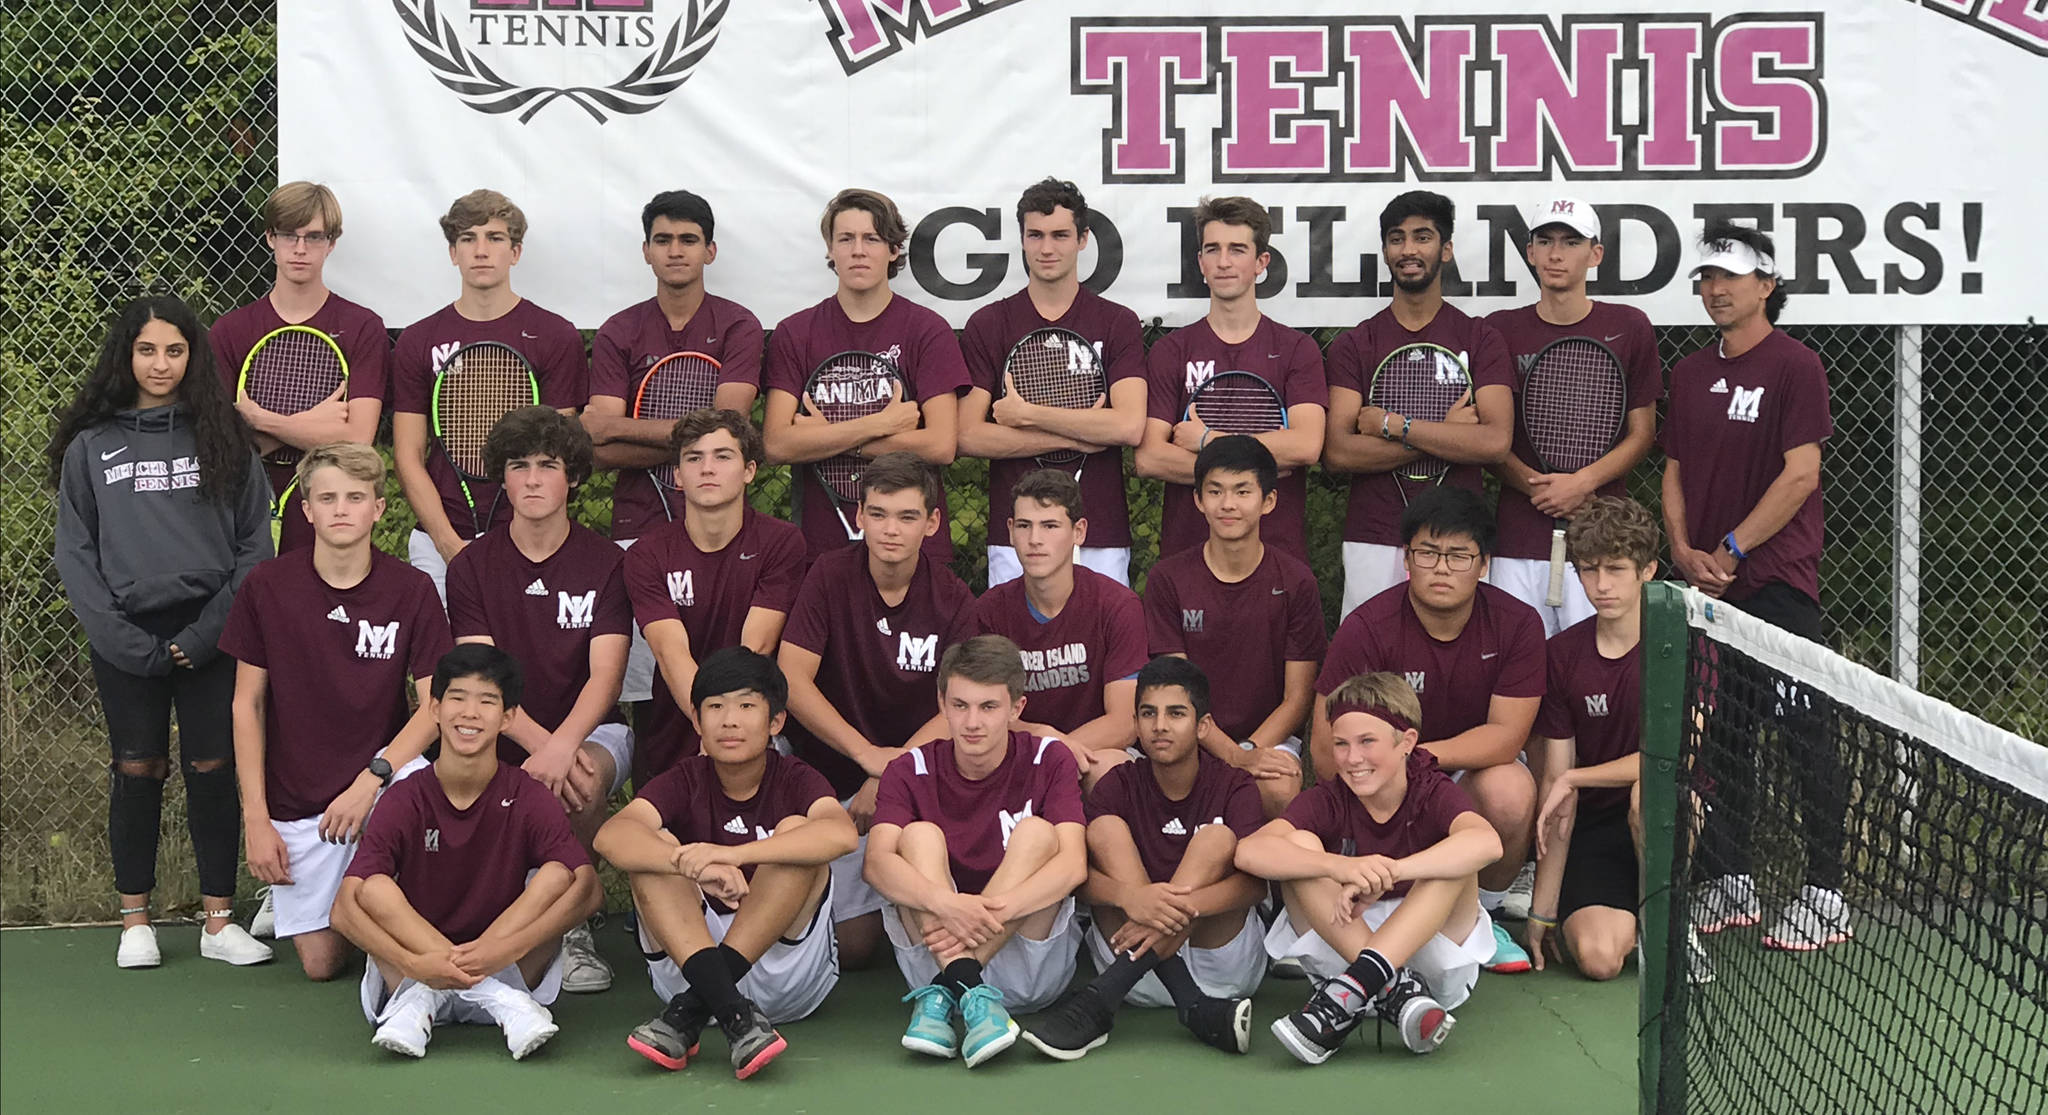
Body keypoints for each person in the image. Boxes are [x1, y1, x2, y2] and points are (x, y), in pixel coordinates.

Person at [50, 294, 275, 969]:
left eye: (174, 350)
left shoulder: (225, 435)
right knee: (136, 765)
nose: (160, 363)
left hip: (211, 627)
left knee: (213, 766)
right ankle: (135, 922)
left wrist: (207, 634)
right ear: (126, 355)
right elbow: (76, 554)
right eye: (146, 349)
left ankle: (216, 920)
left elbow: (253, 546)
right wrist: (125, 641)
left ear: (192, 355)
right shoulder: (92, 445)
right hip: (127, 637)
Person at [1663, 220, 1846, 951]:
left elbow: (1802, 472)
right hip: (1707, 586)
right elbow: (1674, 470)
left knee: (1807, 739)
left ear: (1766, 284)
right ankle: (1731, 880)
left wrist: (1734, 547)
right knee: (1725, 737)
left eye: (1727, 278)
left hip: (1775, 587)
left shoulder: (1797, 366)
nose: (1712, 291)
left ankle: (1825, 891)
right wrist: (1683, 549)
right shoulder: (1687, 373)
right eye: (1704, 280)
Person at [221, 442, 451, 980]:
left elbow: (434, 705)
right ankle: (351, 908)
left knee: (418, 806)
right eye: (327, 498)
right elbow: (245, 704)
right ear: (306, 510)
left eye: (355, 496)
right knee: (321, 966)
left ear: (378, 508)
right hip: (301, 802)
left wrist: (372, 779)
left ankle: (401, 925)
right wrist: (256, 819)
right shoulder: (267, 587)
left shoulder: (412, 589)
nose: (341, 509)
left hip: (382, 784)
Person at [329, 644, 603, 1061]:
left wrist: (502, 949)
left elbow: (588, 890)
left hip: (510, 970)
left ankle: (459, 997)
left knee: (558, 875)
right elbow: (344, 909)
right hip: (415, 969)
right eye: (457, 698)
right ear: (434, 709)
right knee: (372, 887)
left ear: (508, 717)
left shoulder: (527, 795)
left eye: (487, 700)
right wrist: (416, 963)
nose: (470, 713)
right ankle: (434, 996)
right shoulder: (404, 797)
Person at [1309, 487, 1544, 974]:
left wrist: (1419, 760)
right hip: (1379, 777)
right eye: (1428, 553)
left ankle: (1485, 914)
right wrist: (1390, 773)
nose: (1441, 567)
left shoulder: (1518, 623)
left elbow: (1507, 736)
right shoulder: (1366, 626)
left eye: (1459, 555)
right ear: (1406, 559)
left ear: (1483, 564)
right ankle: (1379, 910)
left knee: (1511, 790)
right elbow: (1325, 745)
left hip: (1458, 772)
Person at [594, 648, 859, 1079]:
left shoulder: (794, 777)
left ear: (775, 721)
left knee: (795, 833)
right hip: (690, 959)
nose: (730, 720)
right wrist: (688, 865)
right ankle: (734, 1013)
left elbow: (841, 834)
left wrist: (733, 855)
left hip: (784, 978)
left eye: (746, 706)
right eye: (715, 707)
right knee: (653, 849)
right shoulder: (685, 778)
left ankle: (693, 1010)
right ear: (697, 722)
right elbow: (612, 836)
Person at [446, 406, 632, 993]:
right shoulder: (472, 565)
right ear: (501, 477)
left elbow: (606, 677)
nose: (531, 479)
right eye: (518, 466)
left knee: (585, 776)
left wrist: (561, 748)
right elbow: (480, 679)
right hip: (495, 727)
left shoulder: (608, 562)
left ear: (572, 477)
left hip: (589, 730)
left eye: (547, 466)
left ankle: (572, 927)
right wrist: (536, 743)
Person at [1236, 672, 1504, 1064]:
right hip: (1345, 948)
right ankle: (1390, 989)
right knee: (1298, 846)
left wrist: (1392, 871)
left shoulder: (1430, 789)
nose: (1352, 758)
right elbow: (1249, 852)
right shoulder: (1330, 797)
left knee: (1455, 857)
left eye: (1367, 742)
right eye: (1341, 744)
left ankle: (1355, 989)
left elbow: (1487, 842)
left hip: (1426, 956)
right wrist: (1340, 866)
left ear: (1406, 743)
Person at [777, 452, 977, 969]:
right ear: (859, 516)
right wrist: (867, 755)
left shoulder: (953, 597)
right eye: (880, 514)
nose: (892, 529)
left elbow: (959, 704)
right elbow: (791, 680)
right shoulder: (827, 574)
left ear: (932, 523)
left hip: (915, 778)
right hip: (832, 774)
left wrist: (891, 772)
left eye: (908, 517)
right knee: (857, 945)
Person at [1020, 656, 1266, 1060]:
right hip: (1135, 974)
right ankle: (1192, 1005)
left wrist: (1177, 906)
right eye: (1148, 714)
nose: (1160, 726)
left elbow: (1256, 885)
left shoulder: (1234, 785)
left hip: (1218, 965)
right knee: (1103, 830)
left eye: (1176, 714)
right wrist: (1130, 898)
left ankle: (1098, 1002)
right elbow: (1078, 878)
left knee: (1216, 839)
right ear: (1135, 723)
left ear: (1203, 726)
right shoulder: (1119, 784)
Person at [864, 635, 1088, 1068]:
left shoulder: (1050, 758)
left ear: (1017, 709)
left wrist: (980, 916)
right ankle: (969, 990)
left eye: (988, 707)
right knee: (917, 838)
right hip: (935, 953)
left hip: (1024, 966)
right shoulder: (908, 769)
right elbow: (875, 863)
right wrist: (947, 905)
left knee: (1039, 835)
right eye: (960, 705)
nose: (972, 722)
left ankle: (954, 985)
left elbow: (1074, 864)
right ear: (941, 703)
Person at [583, 190, 765, 719]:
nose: (676, 250)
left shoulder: (738, 326)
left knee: (729, 673)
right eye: (663, 240)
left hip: (724, 526)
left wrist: (621, 427)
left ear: (710, 251)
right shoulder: (621, 330)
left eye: (689, 240)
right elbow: (598, 447)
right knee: (647, 693)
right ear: (646, 251)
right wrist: (694, 438)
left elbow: (731, 428)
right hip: (639, 522)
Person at [1322, 190, 1515, 619]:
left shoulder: (1480, 339)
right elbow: (1337, 452)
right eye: (1397, 238)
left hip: (1458, 537)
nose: (1408, 249)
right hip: (1374, 535)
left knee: (1459, 663)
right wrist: (1449, 433)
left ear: (1445, 250)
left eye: (1422, 237)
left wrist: (1396, 425)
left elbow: (1495, 443)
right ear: (1386, 250)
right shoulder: (1355, 345)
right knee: (1371, 672)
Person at [391, 188, 588, 600]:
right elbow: (408, 456)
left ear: (515, 252)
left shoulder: (555, 336)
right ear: (453, 253)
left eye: (495, 238)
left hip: (530, 542)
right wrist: (448, 545)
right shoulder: (417, 340)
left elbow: (561, 456)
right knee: (449, 664)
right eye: (468, 239)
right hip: (440, 540)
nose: (481, 250)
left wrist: (528, 538)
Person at [1483, 197, 1662, 637]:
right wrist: (1538, 487)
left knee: (1596, 664)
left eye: (1570, 242)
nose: (1556, 254)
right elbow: (1487, 436)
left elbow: (1642, 434)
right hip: (1517, 539)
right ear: (1530, 252)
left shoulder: (1630, 325)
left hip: (1601, 538)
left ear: (1595, 254)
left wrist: (1581, 484)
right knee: (1518, 665)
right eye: (1545, 241)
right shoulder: (1499, 329)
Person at [959, 177, 1148, 586]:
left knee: (1105, 650)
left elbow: (1129, 426)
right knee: (1012, 651)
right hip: (1016, 537)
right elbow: (969, 435)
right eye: (1036, 235)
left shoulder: (1117, 322)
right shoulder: (989, 324)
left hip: (1099, 531)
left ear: (1082, 239)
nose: (1047, 248)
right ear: (1022, 240)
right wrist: (1079, 436)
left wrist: (1026, 415)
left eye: (1060, 235)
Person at [762, 188, 967, 563]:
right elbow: (777, 444)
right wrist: (885, 423)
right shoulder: (795, 333)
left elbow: (941, 444)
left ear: (892, 250)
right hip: (822, 550)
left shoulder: (927, 331)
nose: (858, 250)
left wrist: (829, 438)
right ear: (830, 249)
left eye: (872, 238)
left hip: (914, 551)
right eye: (846, 238)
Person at [1141, 436, 1326, 818]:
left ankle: (1272, 877)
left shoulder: (1297, 581)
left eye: (1243, 491)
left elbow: (1298, 698)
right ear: (1198, 500)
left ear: (1269, 501)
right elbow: (1177, 692)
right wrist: (1230, 755)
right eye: (1215, 491)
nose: (1228, 504)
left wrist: (1247, 752)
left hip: (1266, 738)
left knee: (1281, 786)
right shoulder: (1167, 579)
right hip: (1183, 733)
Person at [1528, 496, 1673, 980]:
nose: (1601, 585)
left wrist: (1577, 776)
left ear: (1647, 570)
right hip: (1596, 831)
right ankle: (1630, 922)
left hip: (1671, 823)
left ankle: (1672, 922)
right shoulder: (1562, 654)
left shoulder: (1682, 645)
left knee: (1647, 796)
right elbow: (1556, 786)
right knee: (1597, 961)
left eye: (1616, 568)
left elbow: (1667, 759)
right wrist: (1541, 910)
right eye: (1589, 570)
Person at [1137, 196, 1326, 564]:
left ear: (1261, 263)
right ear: (1200, 263)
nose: (1224, 262)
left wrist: (1207, 441)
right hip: (1188, 555)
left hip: (1277, 556)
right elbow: (1150, 458)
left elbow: (1305, 447)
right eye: (1213, 249)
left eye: (1237, 249)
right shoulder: (1170, 351)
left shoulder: (1297, 349)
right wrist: (1263, 463)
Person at [622, 410, 805, 784]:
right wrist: (710, 729)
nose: (707, 468)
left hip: (751, 727)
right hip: (672, 735)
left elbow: (755, 648)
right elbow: (670, 653)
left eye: (723, 456)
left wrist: (728, 729)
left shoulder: (781, 542)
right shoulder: (646, 553)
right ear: (677, 474)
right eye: (694, 457)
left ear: (749, 470)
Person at [208, 182, 391, 554]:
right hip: (245, 512)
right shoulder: (230, 331)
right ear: (270, 238)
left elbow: (357, 440)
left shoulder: (363, 327)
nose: (301, 249)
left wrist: (259, 420)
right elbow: (221, 445)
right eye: (290, 235)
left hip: (329, 519)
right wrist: (318, 425)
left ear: (332, 243)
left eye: (314, 236)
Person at [967, 470, 1149, 783]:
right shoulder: (990, 611)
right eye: (1024, 526)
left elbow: (1124, 722)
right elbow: (980, 713)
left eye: (1050, 526)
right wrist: (1041, 738)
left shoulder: (1117, 604)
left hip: (1089, 753)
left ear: (1079, 531)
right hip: (1015, 753)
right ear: (1010, 531)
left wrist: (1055, 752)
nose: (1035, 539)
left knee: (1112, 769)